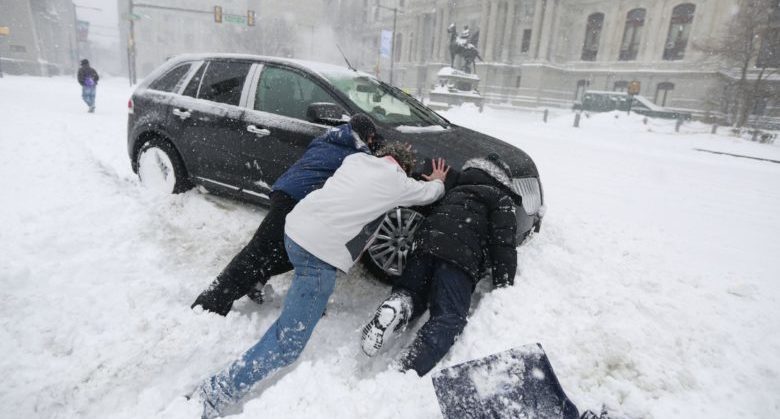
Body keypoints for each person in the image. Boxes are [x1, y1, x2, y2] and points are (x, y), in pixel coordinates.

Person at [195, 144, 449, 418]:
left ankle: (298, 300)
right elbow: (429, 194)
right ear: (405, 168)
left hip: (294, 230)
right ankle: (217, 392)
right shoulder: (398, 182)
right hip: (318, 253)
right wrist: (438, 180)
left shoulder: (356, 160)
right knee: (288, 344)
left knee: (304, 282)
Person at [191, 114, 381, 316]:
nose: (372, 142)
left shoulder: (327, 139)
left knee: (292, 252)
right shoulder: (357, 155)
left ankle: (257, 279)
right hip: (296, 200)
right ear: (365, 136)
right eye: (371, 138)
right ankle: (209, 304)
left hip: (286, 192)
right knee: (257, 251)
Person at [360, 154, 519, 377]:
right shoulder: (501, 198)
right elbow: (504, 244)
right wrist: (505, 283)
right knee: (449, 318)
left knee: (413, 291)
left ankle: (398, 305)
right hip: (460, 256)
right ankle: (405, 370)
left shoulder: (456, 188)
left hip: (425, 244)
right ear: (502, 180)